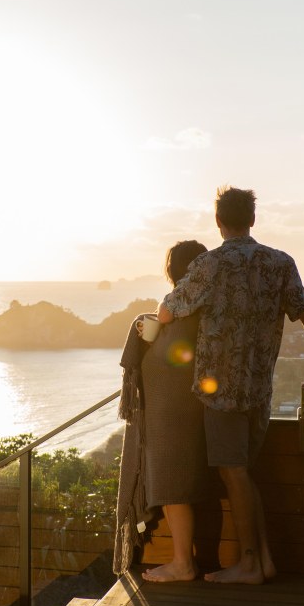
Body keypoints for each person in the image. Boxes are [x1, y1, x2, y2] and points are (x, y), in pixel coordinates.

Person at [158, 186, 304, 585]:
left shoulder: (208, 265)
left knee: (234, 475)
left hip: (220, 393)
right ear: (252, 219)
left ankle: (249, 564)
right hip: (258, 389)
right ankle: (262, 560)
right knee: (243, 473)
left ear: (219, 222)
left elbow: (166, 313)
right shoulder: (279, 263)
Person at [113, 240, 216, 579]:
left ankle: (183, 563)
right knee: (178, 485)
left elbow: (165, 323)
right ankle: (184, 560)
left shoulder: (176, 304)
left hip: (172, 411)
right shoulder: (206, 306)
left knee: (174, 487)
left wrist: (150, 326)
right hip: (181, 407)